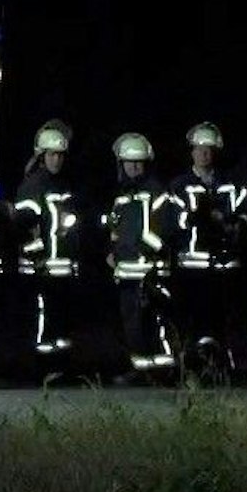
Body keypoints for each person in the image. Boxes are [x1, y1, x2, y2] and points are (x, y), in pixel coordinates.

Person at [167, 121, 247, 370]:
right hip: (192, 266)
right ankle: (193, 364)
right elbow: (175, 222)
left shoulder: (230, 184)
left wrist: (232, 226)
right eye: (200, 148)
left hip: (224, 265)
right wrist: (203, 217)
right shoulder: (179, 185)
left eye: (209, 149)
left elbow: (243, 218)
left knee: (222, 318)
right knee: (193, 318)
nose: (204, 153)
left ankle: (222, 363)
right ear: (192, 152)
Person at [10, 121, 82, 377]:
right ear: (41, 156)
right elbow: (22, 227)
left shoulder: (64, 186)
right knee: (41, 322)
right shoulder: (33, 186)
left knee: (61, 323)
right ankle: (40, 370)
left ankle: (60, 367)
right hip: (40, 270)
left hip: (62, 270)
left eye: (61, 155)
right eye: (52, 155)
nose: (57, 160)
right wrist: (37, 256)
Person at [106, 132, 179, 383]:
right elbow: (116, 232)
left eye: (138, 162)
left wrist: (147, 254)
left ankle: (166, 371)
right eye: (129, 162)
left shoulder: (158, 193)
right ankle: (140, 369)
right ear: (121, 164)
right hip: (126, 274)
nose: (134, 167)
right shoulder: (121, 198)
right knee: (132, 326)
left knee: (157, 322)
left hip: (152, 272)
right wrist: (113, 253)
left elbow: (165, 231)